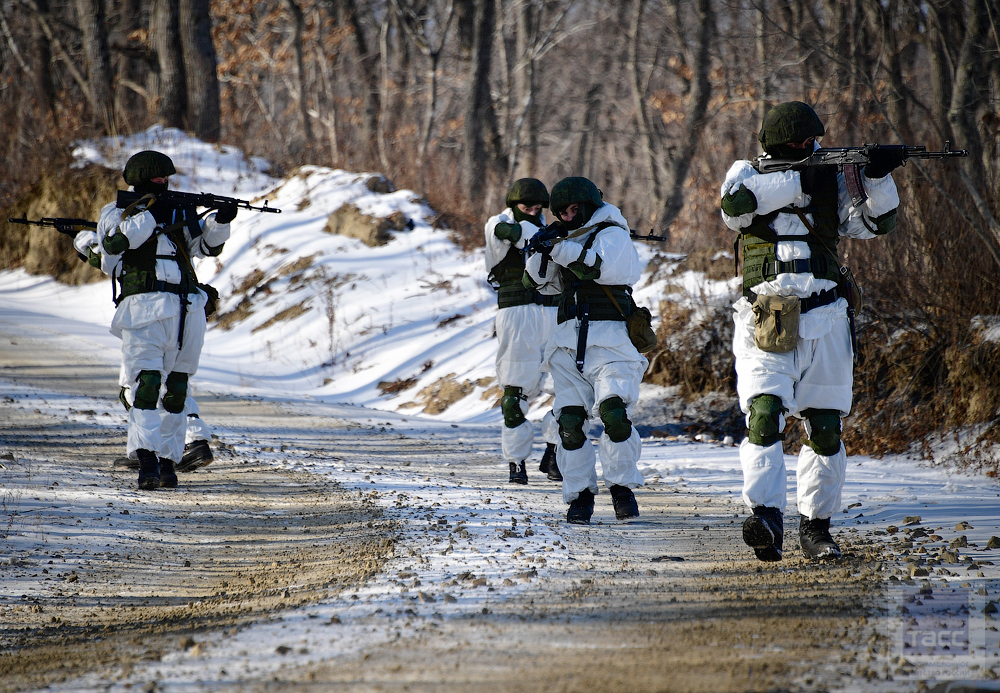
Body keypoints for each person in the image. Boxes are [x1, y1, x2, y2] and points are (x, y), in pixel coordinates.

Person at [720, 101, 903, 561]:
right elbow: (734, 208)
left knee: (824, 427)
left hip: (824, 316)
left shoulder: (834, 173)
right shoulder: (747, 171)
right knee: (764, 416)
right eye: (798, 144)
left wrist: (877, 178)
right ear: (776, 143)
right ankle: (765, 517)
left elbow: (875, 224)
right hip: (767, 315)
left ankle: (815, 527)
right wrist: (795, 180)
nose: (807, 148)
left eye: (811, 141)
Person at [96, 150, 235, 490]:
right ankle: (146, 459)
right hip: (143, 309)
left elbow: (205, 247)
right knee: (146, 386)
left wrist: (221, 221)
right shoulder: (116, 212)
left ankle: (168, 461)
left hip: (185, 308)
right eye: (156, 178)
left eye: (165, 178)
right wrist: (145, 212)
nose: (163, 182)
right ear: (140, 178)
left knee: (176, 390)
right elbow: (113, 249)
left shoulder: (179, 210)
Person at [523, 177, 646, 524]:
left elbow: (595, 268)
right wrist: (539, 250)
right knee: (570, 423)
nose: (567, 216)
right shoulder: (564, 238)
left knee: (614, 415)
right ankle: (579, 495)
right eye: (561, 212)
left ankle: (622, 488)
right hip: (567, 341)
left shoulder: (613, 233)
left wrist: (558, 246)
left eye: (574, 209)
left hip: (611, 340)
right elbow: (534, 283)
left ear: (589, 205)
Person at [73, 231, 216, 473]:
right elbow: (208, 243)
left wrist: (83, 242)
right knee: (174, 385)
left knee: (140, 387)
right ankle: (192, 442)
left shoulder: (133, 226)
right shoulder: (176, 226)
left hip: (145, 313)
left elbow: (108, 259)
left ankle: (151, 454)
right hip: (183, 311)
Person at [484, 178, 561, 485]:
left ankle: (555, 452)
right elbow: (511, 233)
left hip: (554, 313)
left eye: (537, 207)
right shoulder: (498, 224)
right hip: (516, 315)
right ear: (513, 205)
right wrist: (540, 234)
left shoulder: (554, 230)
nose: (532, 211)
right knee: (514, 393)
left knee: (567, 388)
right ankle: (517, 462)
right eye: (525, 207)